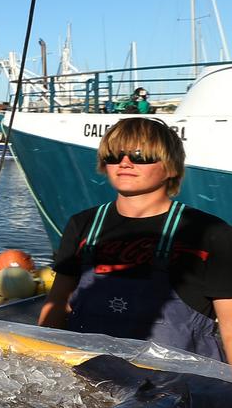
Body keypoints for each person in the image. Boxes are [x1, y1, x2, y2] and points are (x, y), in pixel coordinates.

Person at [38, 117, 232, 361]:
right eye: (114, 156)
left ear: (171, 167)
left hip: (178, 386)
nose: (125, 163)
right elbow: (56, 305)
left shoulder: (211, 233)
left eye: (140, 155)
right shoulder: (83, 224)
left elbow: (230, 327)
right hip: (89, 379)